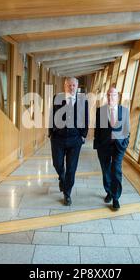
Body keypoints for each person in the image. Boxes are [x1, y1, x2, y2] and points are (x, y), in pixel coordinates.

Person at [48, 77, 89, 206]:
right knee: (57, 164)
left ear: (77, 87)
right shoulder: (57, 98)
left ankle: (67, 194)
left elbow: (86, 117)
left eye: (74, 86)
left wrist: (83, 135)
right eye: (69, 85)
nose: (71, 88)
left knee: (71, 168)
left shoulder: (82, 100)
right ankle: (62, 176)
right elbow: (51, 115)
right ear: (64, 86)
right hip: (58, 139)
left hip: (75, 139)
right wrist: (51, 133)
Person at [93, 87, 130, 210]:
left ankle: (116, 198)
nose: (110, 97)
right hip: (104, 146)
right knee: (106, 170)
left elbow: (127, 130)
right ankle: (108, 191)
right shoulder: (101, 111)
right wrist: (97, 145)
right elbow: (97, 130)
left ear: (117, 97)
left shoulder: (124, 111)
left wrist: (124, 143)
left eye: (113, 95)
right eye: (108, 95)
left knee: (116, 170)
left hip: (118, 147)